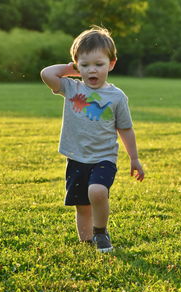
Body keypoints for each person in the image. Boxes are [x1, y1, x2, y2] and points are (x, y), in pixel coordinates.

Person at [40, 25, 144, 253]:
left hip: (104, 157)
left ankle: (100, 232)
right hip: (76, 157)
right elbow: (47, 73)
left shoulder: (117, 97)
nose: (92, 70)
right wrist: (71, 69)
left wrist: (134, 158)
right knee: (82, 205)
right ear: (77, 67)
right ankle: (87, 241)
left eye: (99, 64)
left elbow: (125, 129)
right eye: (85, 65)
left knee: (97, 191)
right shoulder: (70, 87)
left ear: (112, 64)